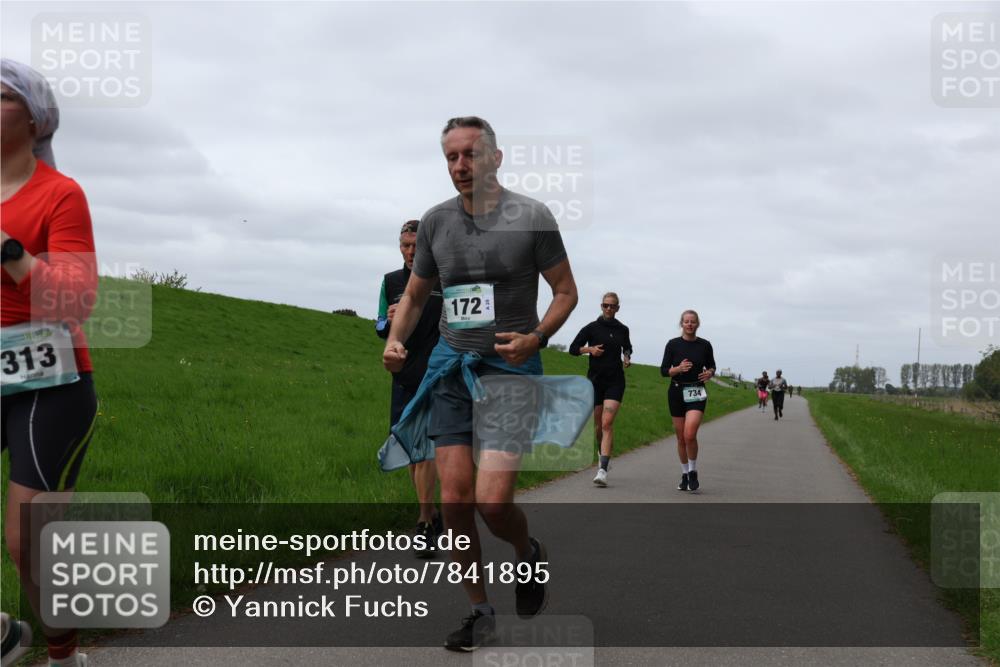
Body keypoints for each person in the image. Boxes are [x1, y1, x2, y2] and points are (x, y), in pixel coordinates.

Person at [382, 116, 578, 651]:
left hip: (512, 371)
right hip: (450, 369)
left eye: (470, 154)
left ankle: (528, 554)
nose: (460, 166)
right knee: (455, 503)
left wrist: (537, 337)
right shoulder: (435, 222)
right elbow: (418, 294)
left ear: (495, 157)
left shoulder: (532, 217)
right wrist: (395, 340)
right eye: (451, 157)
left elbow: (565, 292)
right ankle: (479, 611)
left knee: (493, 504)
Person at [1, 59, 97, 667]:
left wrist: (7, 248)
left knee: (28, 543)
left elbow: (75, 297)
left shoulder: (59, 194)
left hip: (50, 383)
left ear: (34, 118)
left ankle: (63, 655)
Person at [376, 220, 444, 557]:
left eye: (416, 244)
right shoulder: (390, 282)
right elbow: (378, 326)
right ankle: (431, 510)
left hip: (435, 372)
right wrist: (388, 321)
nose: (410, 251)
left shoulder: (442, 278)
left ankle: (424, 523)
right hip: (403, 372)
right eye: (405, 245)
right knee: (408, 447)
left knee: (425, 447)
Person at [569, 292, 632, 487]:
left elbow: (627, 347)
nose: (608, 309)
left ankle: (603, 470)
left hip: (615, 381)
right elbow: (573, 348)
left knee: (607, 423)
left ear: (618, 308)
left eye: (612, 306)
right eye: (606, 305)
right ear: (601, 306)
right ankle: (601, 454)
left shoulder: (623, 329)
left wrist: (627, 358)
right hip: (595, 382)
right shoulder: (591, 328)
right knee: (598, 427)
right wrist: (589, 350)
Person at [660, 310, 716, 493]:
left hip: (696, 391)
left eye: (693, 321)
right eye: (686, 321)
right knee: (681, 438)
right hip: (676, 391)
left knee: (689, 434)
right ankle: (684, 474)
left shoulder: (705, 345)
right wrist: (678, 368)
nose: (690, 324)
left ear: (697, 324)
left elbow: (712, 366)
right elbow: (664, 370)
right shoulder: (673, 344)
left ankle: (693, 471)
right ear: (681, 324)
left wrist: (710, 373)